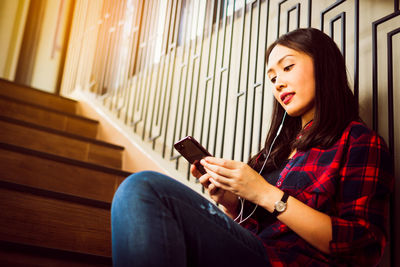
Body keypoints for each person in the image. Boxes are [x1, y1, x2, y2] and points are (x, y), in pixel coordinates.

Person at [111, 28, 393, 266]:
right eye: (272, 78)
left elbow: (364, 245)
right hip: (255, 252)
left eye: (288, 67)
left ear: (323, 65)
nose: (279, 82)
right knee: (142, 198)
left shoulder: (357, 141)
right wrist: (231, 202)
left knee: (145, 188)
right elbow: (253, 226)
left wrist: (265, 193)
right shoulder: (273, 152)